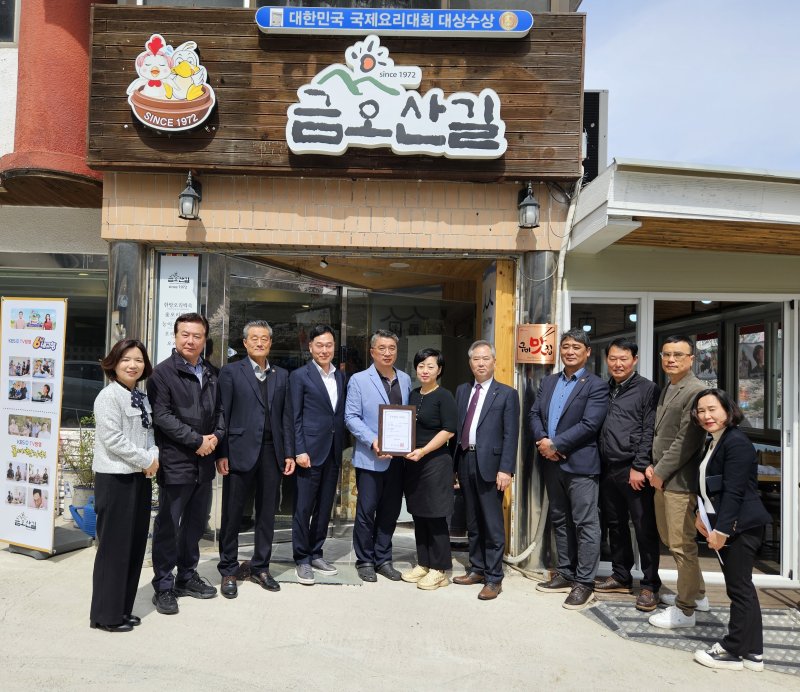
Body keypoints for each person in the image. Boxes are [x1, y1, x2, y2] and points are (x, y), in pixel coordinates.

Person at [147, 313, 225, 615]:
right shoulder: (162, 374)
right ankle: (163, 585)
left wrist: (216, 437)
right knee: (169, 526)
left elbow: (221, 412)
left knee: (195, 525)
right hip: (176, 462)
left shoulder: (212, 373)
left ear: (204, 339)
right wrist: (196, 441)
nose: (191, 341)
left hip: (204, 463)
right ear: (176, 336)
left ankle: (187, 576)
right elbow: (162, 416)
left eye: (197, 336)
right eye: (185, 335)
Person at [690, 389, 771, 672]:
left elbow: (734, 491)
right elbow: (710, 486)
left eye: (712, 409)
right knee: (742, 588)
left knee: (739, 589)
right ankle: (753, 652)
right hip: (725, 523)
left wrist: (722, 530)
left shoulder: (736, 442)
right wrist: (700, 515)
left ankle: (733, 650)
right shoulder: (715, 440)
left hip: (740, 527)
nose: (706, 416)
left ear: (728, 409)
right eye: (701, 411)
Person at [216, 320, 295, 599]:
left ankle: (261, 566)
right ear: (245, 343)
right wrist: (222, 452)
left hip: (272, 452)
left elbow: (287, 417)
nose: (259, 342)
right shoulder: (230, 372)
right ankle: (228, 568)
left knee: (266, 513)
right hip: (238, 450)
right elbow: (222, 413)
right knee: (233, 512)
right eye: (254, 338)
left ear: (270, 343)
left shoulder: (282, 375)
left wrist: (289, 453)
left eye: (264, 338)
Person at [530, 328, 608, 610]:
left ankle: (584, 583)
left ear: (587, 352)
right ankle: (565, 573)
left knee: (586, 523)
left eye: (576, 347)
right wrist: (542, 441)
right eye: (566, 347)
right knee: (560, 519)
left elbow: (590, 424)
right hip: (551, 462)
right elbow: (534, 413)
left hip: (580, 464)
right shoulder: (549, 381)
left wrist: (556, 444)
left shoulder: (596, 385)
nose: (570, 351)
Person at [90, 338, 159, 633]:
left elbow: (150, 434)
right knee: (113, 549)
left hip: (139, 478)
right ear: (114, 363)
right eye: (126, 359)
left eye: (138, 360)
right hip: (115, 479)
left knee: (133, 546)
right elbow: (113, 440)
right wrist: (146, 460)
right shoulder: (108, 397)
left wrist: (153, 457)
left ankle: (122, 609)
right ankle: (105, 616)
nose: (133, 365)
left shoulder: (141, 397)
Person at [646, 334, 708, 629]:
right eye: (666, 354)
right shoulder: (669, 386)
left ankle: (685, 610)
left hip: (679, 481)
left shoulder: (695, 391)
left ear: (691, 359)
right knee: (672, 541)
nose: (671, 360)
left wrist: (660, 471)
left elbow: (687, 440)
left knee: (682, 545)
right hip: (663, 478)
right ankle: (698, 594)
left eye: (678, 355)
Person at [595, 338, 662, 611]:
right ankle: (621, 575)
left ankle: (649, 585)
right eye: (612, 358)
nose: (617, 364)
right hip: (607, 468)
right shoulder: (604, 388)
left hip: (633, 469)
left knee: (644, 527)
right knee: (615, 524)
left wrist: (639, 465)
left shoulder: (647, 389)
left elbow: (650, 430)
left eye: (623, 358)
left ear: (634, 360)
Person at [451, 340, 519, 600]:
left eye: (485, 358)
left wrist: (506, 469)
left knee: (491, 523)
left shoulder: (506, 394)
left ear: (494, 362)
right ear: (470, 363)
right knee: (472, 521)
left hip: (492, 465)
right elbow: (458, 428)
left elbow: (511, 434)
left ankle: (494, 577)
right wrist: (454, 466)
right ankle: (477, 568)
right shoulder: (462, 390)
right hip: (465, 460)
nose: (480, 363)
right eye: (475, 359)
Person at [344, 329, 412, 582]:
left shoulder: (405, 379)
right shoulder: (359, 380)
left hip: (398, 459)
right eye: (381, 348)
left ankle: (383, 559)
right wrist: (373, 441)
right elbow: (351, 417)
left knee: (390, 511)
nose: (387, 353)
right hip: (371, 458)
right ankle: (365, 560)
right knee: (366, 511)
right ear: (372, 352)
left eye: (391, 348)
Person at [289, 325, 347, 586]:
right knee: (304, 508)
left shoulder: (341, 376)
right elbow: (294, 416)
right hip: (309, 453)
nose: (324, 350)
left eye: (329, 345)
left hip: (333, 451)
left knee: (324, 507)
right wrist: (299, 449)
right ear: (310, 347)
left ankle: (316, 553)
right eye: (319, 345)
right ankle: (302, 558)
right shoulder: (299, 376)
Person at [400, 348, 457, 591]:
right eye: (421, 366)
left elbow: (449, 430)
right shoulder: (413, 394)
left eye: (430, 366)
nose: (425, 370)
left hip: (435, 461)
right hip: (413, 462)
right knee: (419, 513)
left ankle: (439, 569)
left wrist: (423, 450)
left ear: (439, 370)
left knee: (435, 514)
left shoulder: (445, 396)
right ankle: (424, 563)